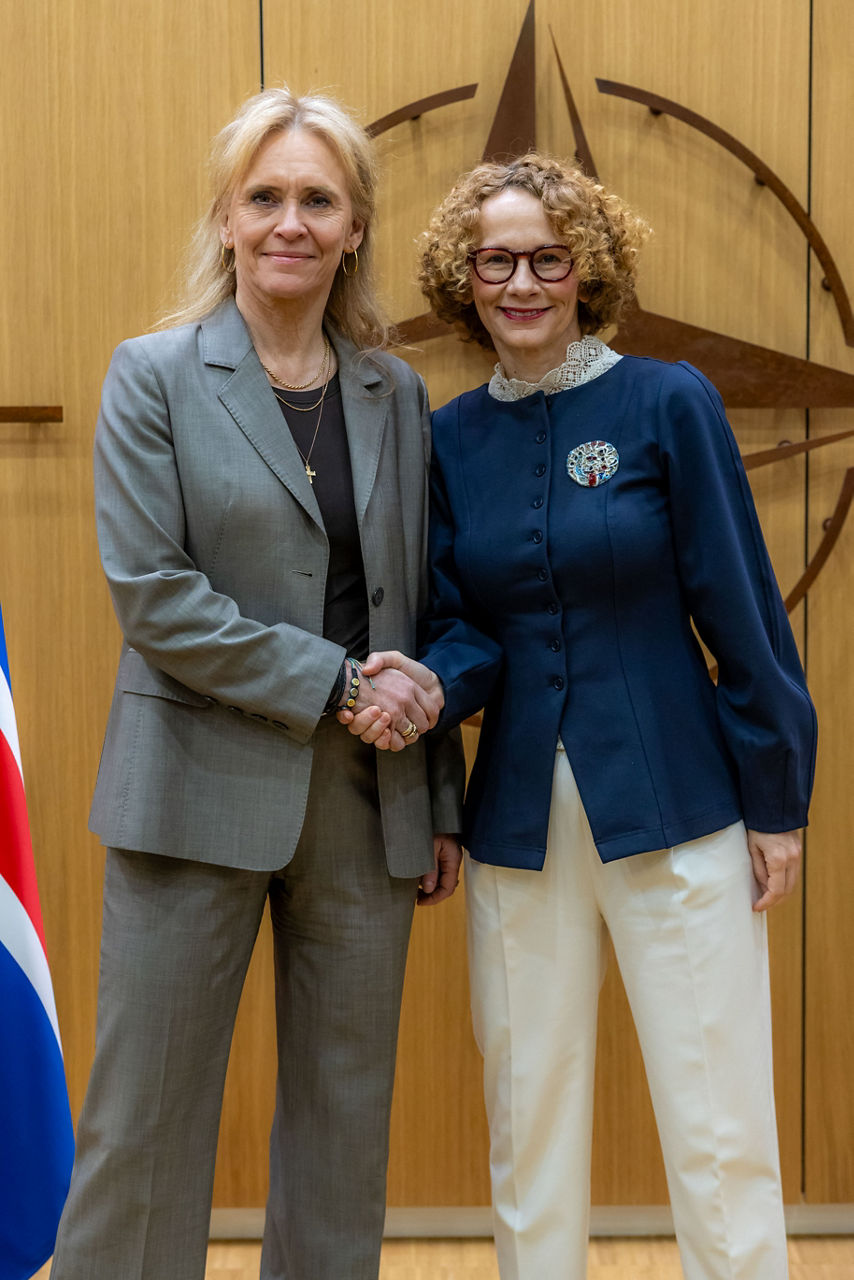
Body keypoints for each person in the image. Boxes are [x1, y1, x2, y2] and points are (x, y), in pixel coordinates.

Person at [341, 153, 816, 1280]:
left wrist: (774, 801)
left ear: (584, 269)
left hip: (681, 808)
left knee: (717, 1124)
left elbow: (740, 610)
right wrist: (423, 690)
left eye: (545, 257)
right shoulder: (448, 436)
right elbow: (464, 626)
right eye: (493, 259)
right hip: (515, 824)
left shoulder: (667, 402)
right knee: (528, 1114)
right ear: (463, 277)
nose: (519, 281)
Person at [50, 86, 464, 1280]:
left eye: (317, 199)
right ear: (226, 217)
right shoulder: (153, 375)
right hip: (191, 787)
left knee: (345, 1129)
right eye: (265, 196)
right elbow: (157, 596)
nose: (291, 219)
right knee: (144, 1122)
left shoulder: (397, 396)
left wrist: (435, 794)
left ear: (353, 227)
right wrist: (338, 683)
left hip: (365, 806)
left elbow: (410, 607)